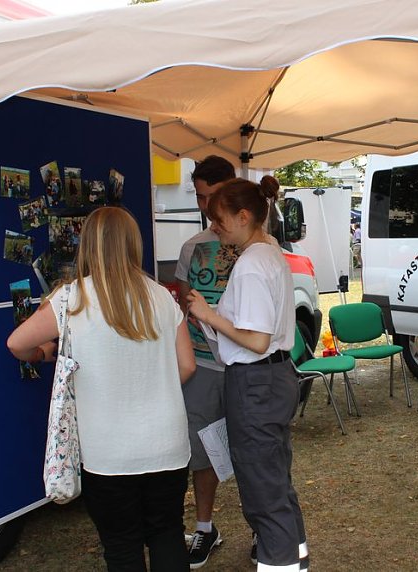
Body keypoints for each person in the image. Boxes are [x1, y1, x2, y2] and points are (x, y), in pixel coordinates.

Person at [7, 207, 196, 572]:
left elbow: (16, 344)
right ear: (133, 244)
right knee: (167, 533)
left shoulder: (71, 298)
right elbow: (186, 366)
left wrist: (47, 353)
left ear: (87, 245)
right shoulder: (160, 295)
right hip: (167, 445)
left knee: (121, 546)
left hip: (108, 452)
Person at [187, 176, 309, 572]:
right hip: (269, 379)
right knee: (274, 482)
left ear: (243, 216)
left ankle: (281, 563)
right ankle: (294, 558)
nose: (214, 228)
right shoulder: (267, 251)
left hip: (256, 380)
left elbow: (256, 340)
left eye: (218, 220)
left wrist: (207, 315)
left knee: (262, 491)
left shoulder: (254, 263)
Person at [174, 155, 237, 568]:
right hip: (202, 364)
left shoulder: (257, 247)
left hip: (246, 366)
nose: (206, 207)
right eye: (200, 198)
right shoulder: (192, 247)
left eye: (212, 197)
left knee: (254, 450)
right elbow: (180, 301)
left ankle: (264, 529)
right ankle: (204, 529)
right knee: (200, 450)